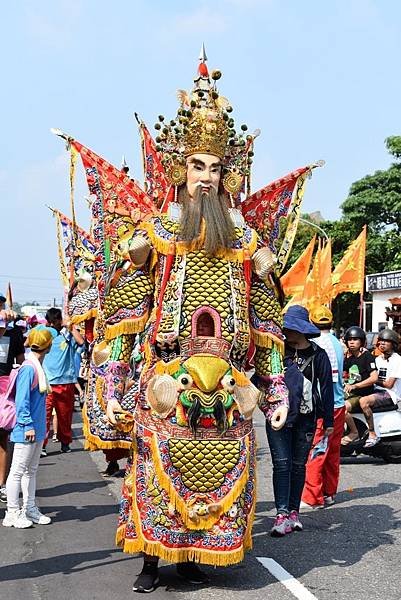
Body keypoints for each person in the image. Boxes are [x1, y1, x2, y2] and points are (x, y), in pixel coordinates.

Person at [100, 53, 289, 592]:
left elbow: (268, 325)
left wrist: (275, 392)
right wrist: (113, 383)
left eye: (215, 168)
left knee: (214, 476)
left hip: (227, 387)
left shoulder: (247, 241)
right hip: (167, 379)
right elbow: (124, 320)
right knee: (157, 476)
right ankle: (151, 562)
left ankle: (189, 558)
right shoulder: (157, 232)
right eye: (198, 167)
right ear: (181, 170)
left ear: (226, 173)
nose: (207, 177)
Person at [265, 305, 334, 536]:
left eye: (291, 328)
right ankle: (281, 514)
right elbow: (260, 379)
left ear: (302, 330)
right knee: (281, 465)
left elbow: (326, 389)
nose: (287, 332)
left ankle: (294, 512)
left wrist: (328, 422)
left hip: (307, 418)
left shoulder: (318, 355)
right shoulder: (277, 353)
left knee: (297, 466)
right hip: (278, 418)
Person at [2, 328, 53, 528]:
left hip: (37, 428)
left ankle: (29, 509)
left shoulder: (35, 366)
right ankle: (12, 513)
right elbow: (22, 401)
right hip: (27, 428)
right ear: (48, 346)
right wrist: (28, 424)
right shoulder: (29, 369)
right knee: (17, 471)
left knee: (30, 471)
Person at [301, 306, 345, 508]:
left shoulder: (315, 344)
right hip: (339, 405)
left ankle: (312, 497)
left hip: (322, 407)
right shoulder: (337, 342)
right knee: (332, 452)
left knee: (316, 451)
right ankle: (328, 492)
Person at [41, 308, 84, 454]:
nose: (53, 324)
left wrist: (69, 326)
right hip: (47, 383)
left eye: (56, 321)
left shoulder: (68, 335)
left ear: (60, 320)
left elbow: (81, 342)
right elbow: (28, 343)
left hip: (66, 382)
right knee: (45, 416)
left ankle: (65, 443)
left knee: (65, 416)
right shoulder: (45, 334)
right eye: (51, 322)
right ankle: (43, 445)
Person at [0, 295, 25, 504]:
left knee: (3, 439)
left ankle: (2, 484)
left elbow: (20, 362)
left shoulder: (15, 332)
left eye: (1, 306)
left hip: (5, 388)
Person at [359, 328, 401, 448]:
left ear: (393, 344)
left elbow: (389, 384)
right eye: (380, 341)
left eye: (386, 341)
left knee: (363, 401)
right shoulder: (377, 359)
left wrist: (373, 379)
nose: (382, 344)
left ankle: (373, 434)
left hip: (390, 394)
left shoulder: (398, 360)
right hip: (376, 391)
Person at [341, 326, 378, 445]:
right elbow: (342, 373)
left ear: (361, 341)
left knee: (342, 407)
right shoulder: (348, 358)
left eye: (356, 339)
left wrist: (355, 386)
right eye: (349, 339)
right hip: (351, 392)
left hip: (363, 393)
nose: (352, 342)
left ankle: (354, 432)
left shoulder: (367, 357)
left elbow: (374, 378)